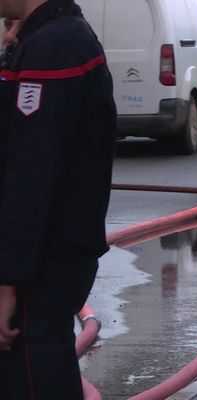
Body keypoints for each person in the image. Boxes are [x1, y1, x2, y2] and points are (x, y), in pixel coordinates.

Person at [0, 0, 116, 398]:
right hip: (58, 253)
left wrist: (8, 280)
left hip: (42, 262)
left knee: (34, 375)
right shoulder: (61, 37)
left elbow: (30, 171)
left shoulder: (51, 48)